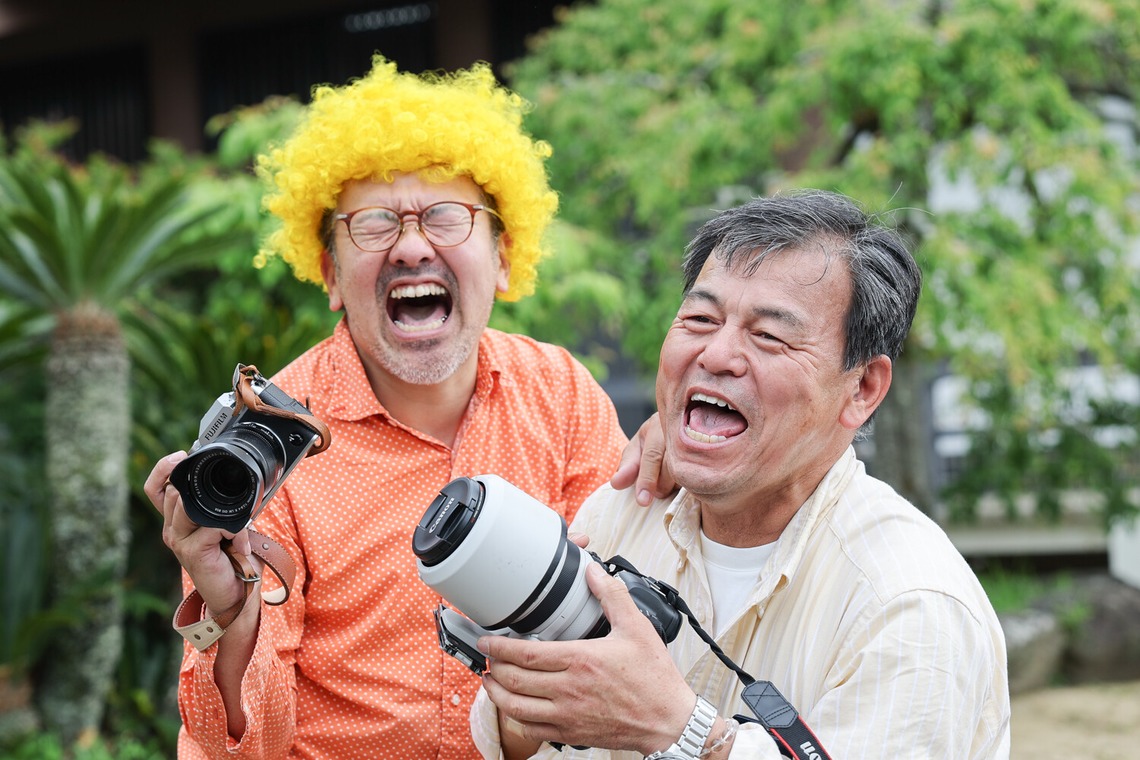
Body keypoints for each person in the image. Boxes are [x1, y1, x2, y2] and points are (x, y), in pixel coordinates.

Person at [144, 56, 665, 759]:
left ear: (505, 258)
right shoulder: (267, 448)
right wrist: (230, 609)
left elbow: (620, 635)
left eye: (447, 218)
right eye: (374, 224)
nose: (413, 245)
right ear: (329, 274)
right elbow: (240, 747)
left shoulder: (561, 395)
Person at [472, 190, 1012, 759]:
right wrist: (534, 690)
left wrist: (682, 729)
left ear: (863, 389)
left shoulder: (909, 602)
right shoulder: (624, 510)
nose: (717, 354)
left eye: (770, 336)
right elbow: (516, 746)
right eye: (700, 318)